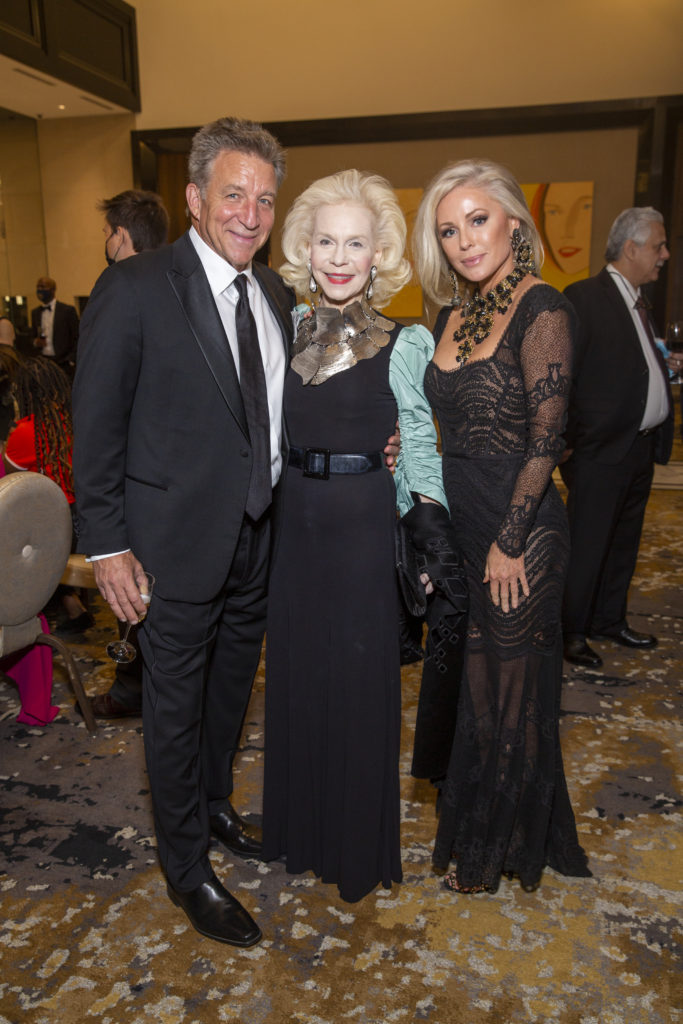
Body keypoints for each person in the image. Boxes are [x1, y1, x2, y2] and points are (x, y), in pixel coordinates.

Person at [72, 117, 399, 945]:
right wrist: (105, 545)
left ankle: (212, 807)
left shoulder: (278, 297)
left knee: (225, 701)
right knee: (173, 712)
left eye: (263, 197)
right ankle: (186, 871)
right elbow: (96, 425)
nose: (249, 213)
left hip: (261, 542)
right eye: (232, 194)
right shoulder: (139, 286)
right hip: (168, 549)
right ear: (194, 197)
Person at [261, 170, 450, 902]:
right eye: (326, 241)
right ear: (305, 249)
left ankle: (355, 851)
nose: (339, 257)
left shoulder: (404, 340)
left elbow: (422, 445)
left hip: (364, 531)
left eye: (355, 244)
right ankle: (299, 833)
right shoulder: (286, 331)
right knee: (300, 685)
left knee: (361, 690)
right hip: (294, 535)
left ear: (379, 257)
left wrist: (429, 529)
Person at [413, 158, 591, 894]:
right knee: (473, 694)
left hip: (519, 532)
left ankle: (494, 854)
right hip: (464, 523)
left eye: (476, 220)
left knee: (507, 695)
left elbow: (546, 440)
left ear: (513, 222)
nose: (463, 241)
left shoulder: (542, 308)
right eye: (448, 230)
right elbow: (445, 418)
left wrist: (508, 541)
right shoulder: (451, 314)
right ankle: (510, 834)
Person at [560, 208, 673, 668]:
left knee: (623, 543)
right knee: (586, 547)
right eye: (658, 246)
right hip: (599, 451)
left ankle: (609, 620)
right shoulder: (585, 297)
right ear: (631, 248)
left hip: (638, 447)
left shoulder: (640, 301)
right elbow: (561, 373)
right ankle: (571, 632)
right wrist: (568, 441)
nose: (664, 255)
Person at [85, 189, 170, 721]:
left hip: (130, 478)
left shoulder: (116, 285)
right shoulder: (175, 284)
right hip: (165, 478)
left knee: (132, 590)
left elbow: (97, 409)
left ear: (121, 234)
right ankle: (140, 685)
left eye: (107, 233)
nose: (106, 243)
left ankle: (132, 688)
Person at [3, 356, 93, 634]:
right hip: (82, 509)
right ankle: (74, 601)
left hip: (46, 517)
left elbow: (11, 479)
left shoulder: (25, 432)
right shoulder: (76, 420)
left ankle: (52, 607)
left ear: (24, 393)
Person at [99, 189, 170, 265]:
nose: (106, 242)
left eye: (106, 234)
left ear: (119, 235)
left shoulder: (113, 275)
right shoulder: (177, 272)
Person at [30, 278, 79, 374]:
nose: (40, 289)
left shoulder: (67, 311)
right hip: (43, 362)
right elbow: (32, 336)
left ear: (52, 289)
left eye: (43, 286)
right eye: (38, 287)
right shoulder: (35, 313)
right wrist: (36, 342)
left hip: (63, 362)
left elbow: (77, 337)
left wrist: (71, 360)